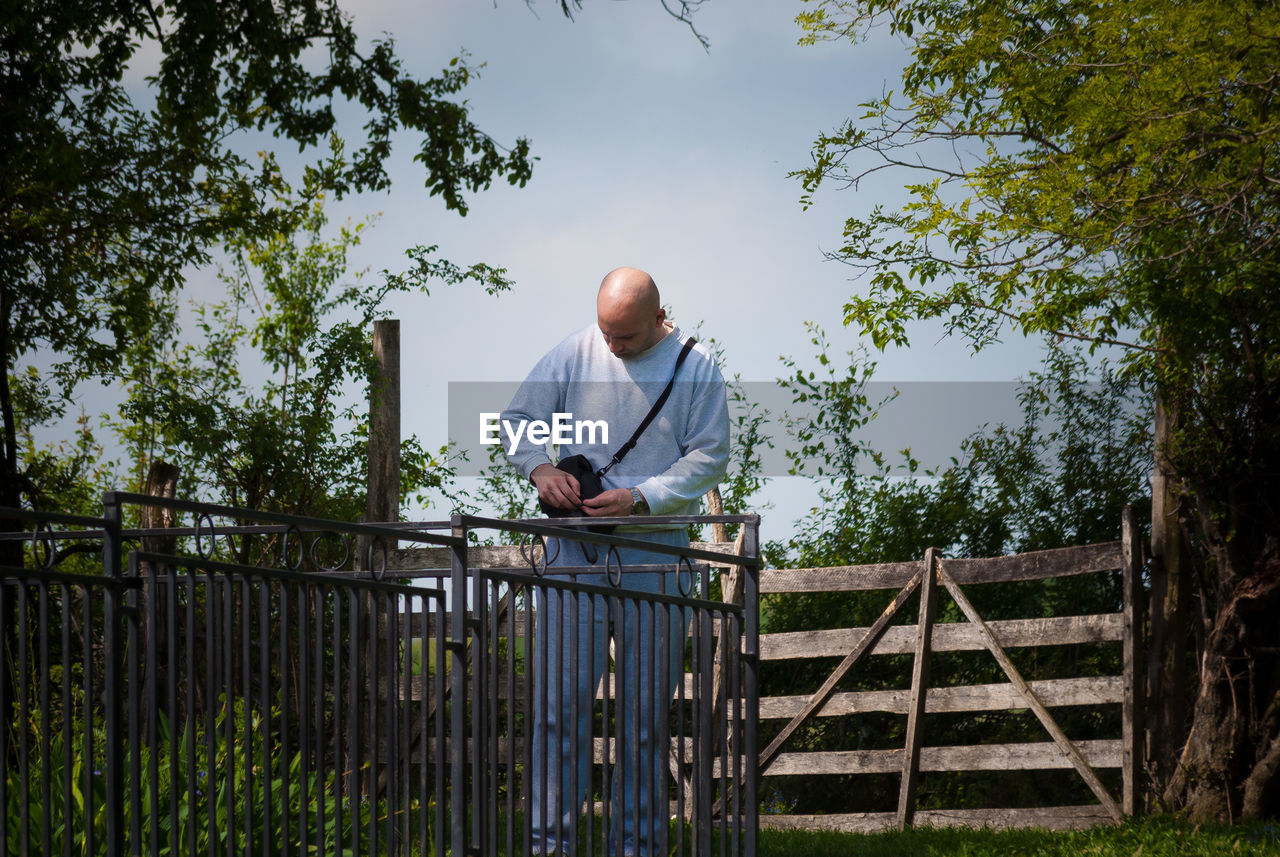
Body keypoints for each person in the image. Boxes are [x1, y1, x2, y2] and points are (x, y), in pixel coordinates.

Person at [501, 266, 729, 856]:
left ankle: (639, 849)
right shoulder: (575, 351)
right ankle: (549, 847)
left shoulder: (696, 367)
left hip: (655, 553)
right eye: (605, 331)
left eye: (624, 336)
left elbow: (711, 454)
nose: (612, 346)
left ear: (658, 317)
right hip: (571, 553)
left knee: (644, 721)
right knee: (556, 713)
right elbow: (515, 421)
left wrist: (642, 496)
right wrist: (540, 467)